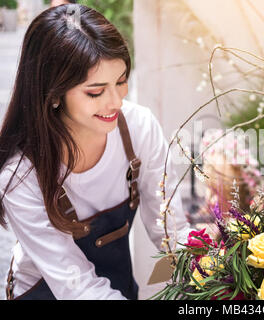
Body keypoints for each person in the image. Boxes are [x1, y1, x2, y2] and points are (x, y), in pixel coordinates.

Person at [0, 4, 191, 300]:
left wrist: (211, 278)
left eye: (121, 81)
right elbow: (76, 287)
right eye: (95, 91)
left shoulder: (138, 127)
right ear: (53, 94)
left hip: (115, 287)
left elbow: (171, 229)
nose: (115, 101)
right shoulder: (21, 175)